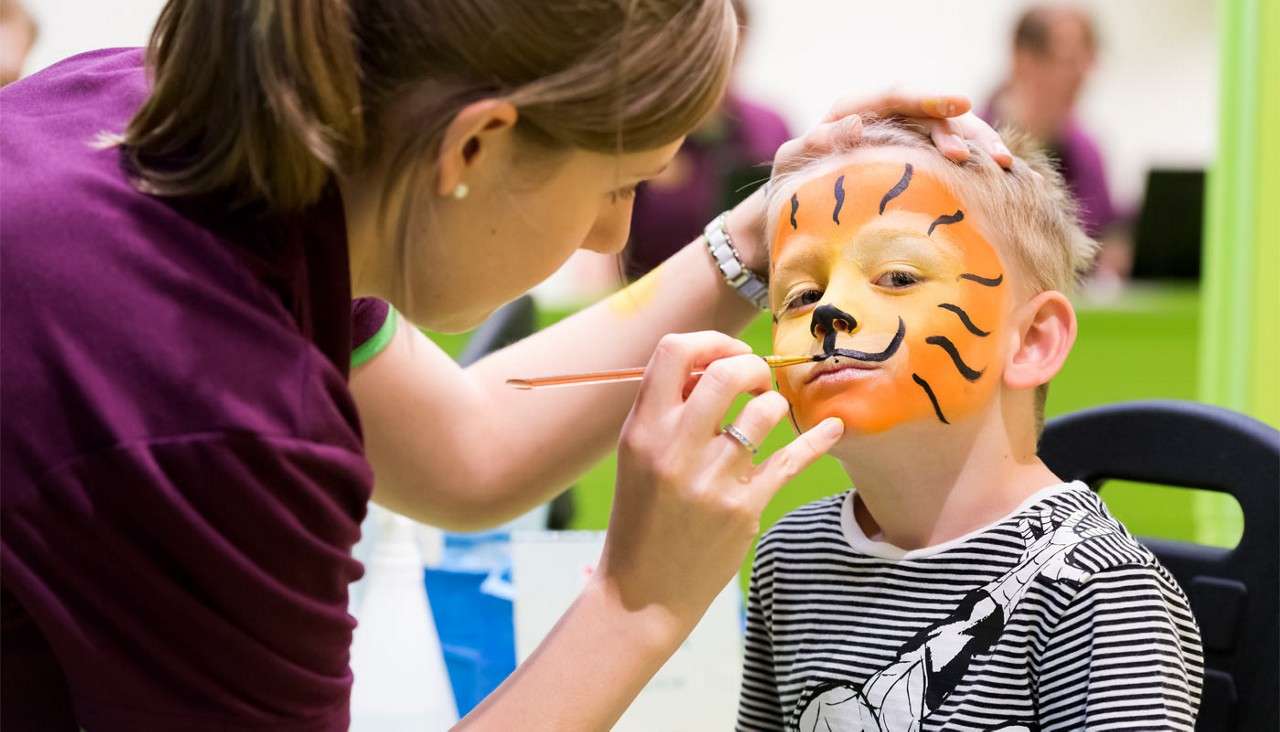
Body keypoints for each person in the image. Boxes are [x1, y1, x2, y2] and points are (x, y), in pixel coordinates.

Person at [0, 1, 1011, 729]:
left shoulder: (178, 136)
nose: (615, 227)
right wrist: (636, 604)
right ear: (474, 147)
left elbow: (466, 450)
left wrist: (749, 243)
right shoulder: (206, 405)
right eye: (617, 186)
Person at [735, 120, 1203, 730]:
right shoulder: (790, 557)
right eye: (799, 295)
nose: (828, 311)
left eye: (898, 277)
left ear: (1032, 341)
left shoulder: (1099, 594)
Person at [623, 0, 792, 280]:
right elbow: (604, 256)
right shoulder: (641, 130)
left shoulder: (769, 127)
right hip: (654, 299)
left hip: (754, 297)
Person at [984, 4, 1132, 281]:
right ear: (1022, 59)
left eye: (1087, 61)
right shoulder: (972, 143)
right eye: (1067, 60)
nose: (1080, 76)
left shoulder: (1088, 151)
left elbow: (1105, 232)